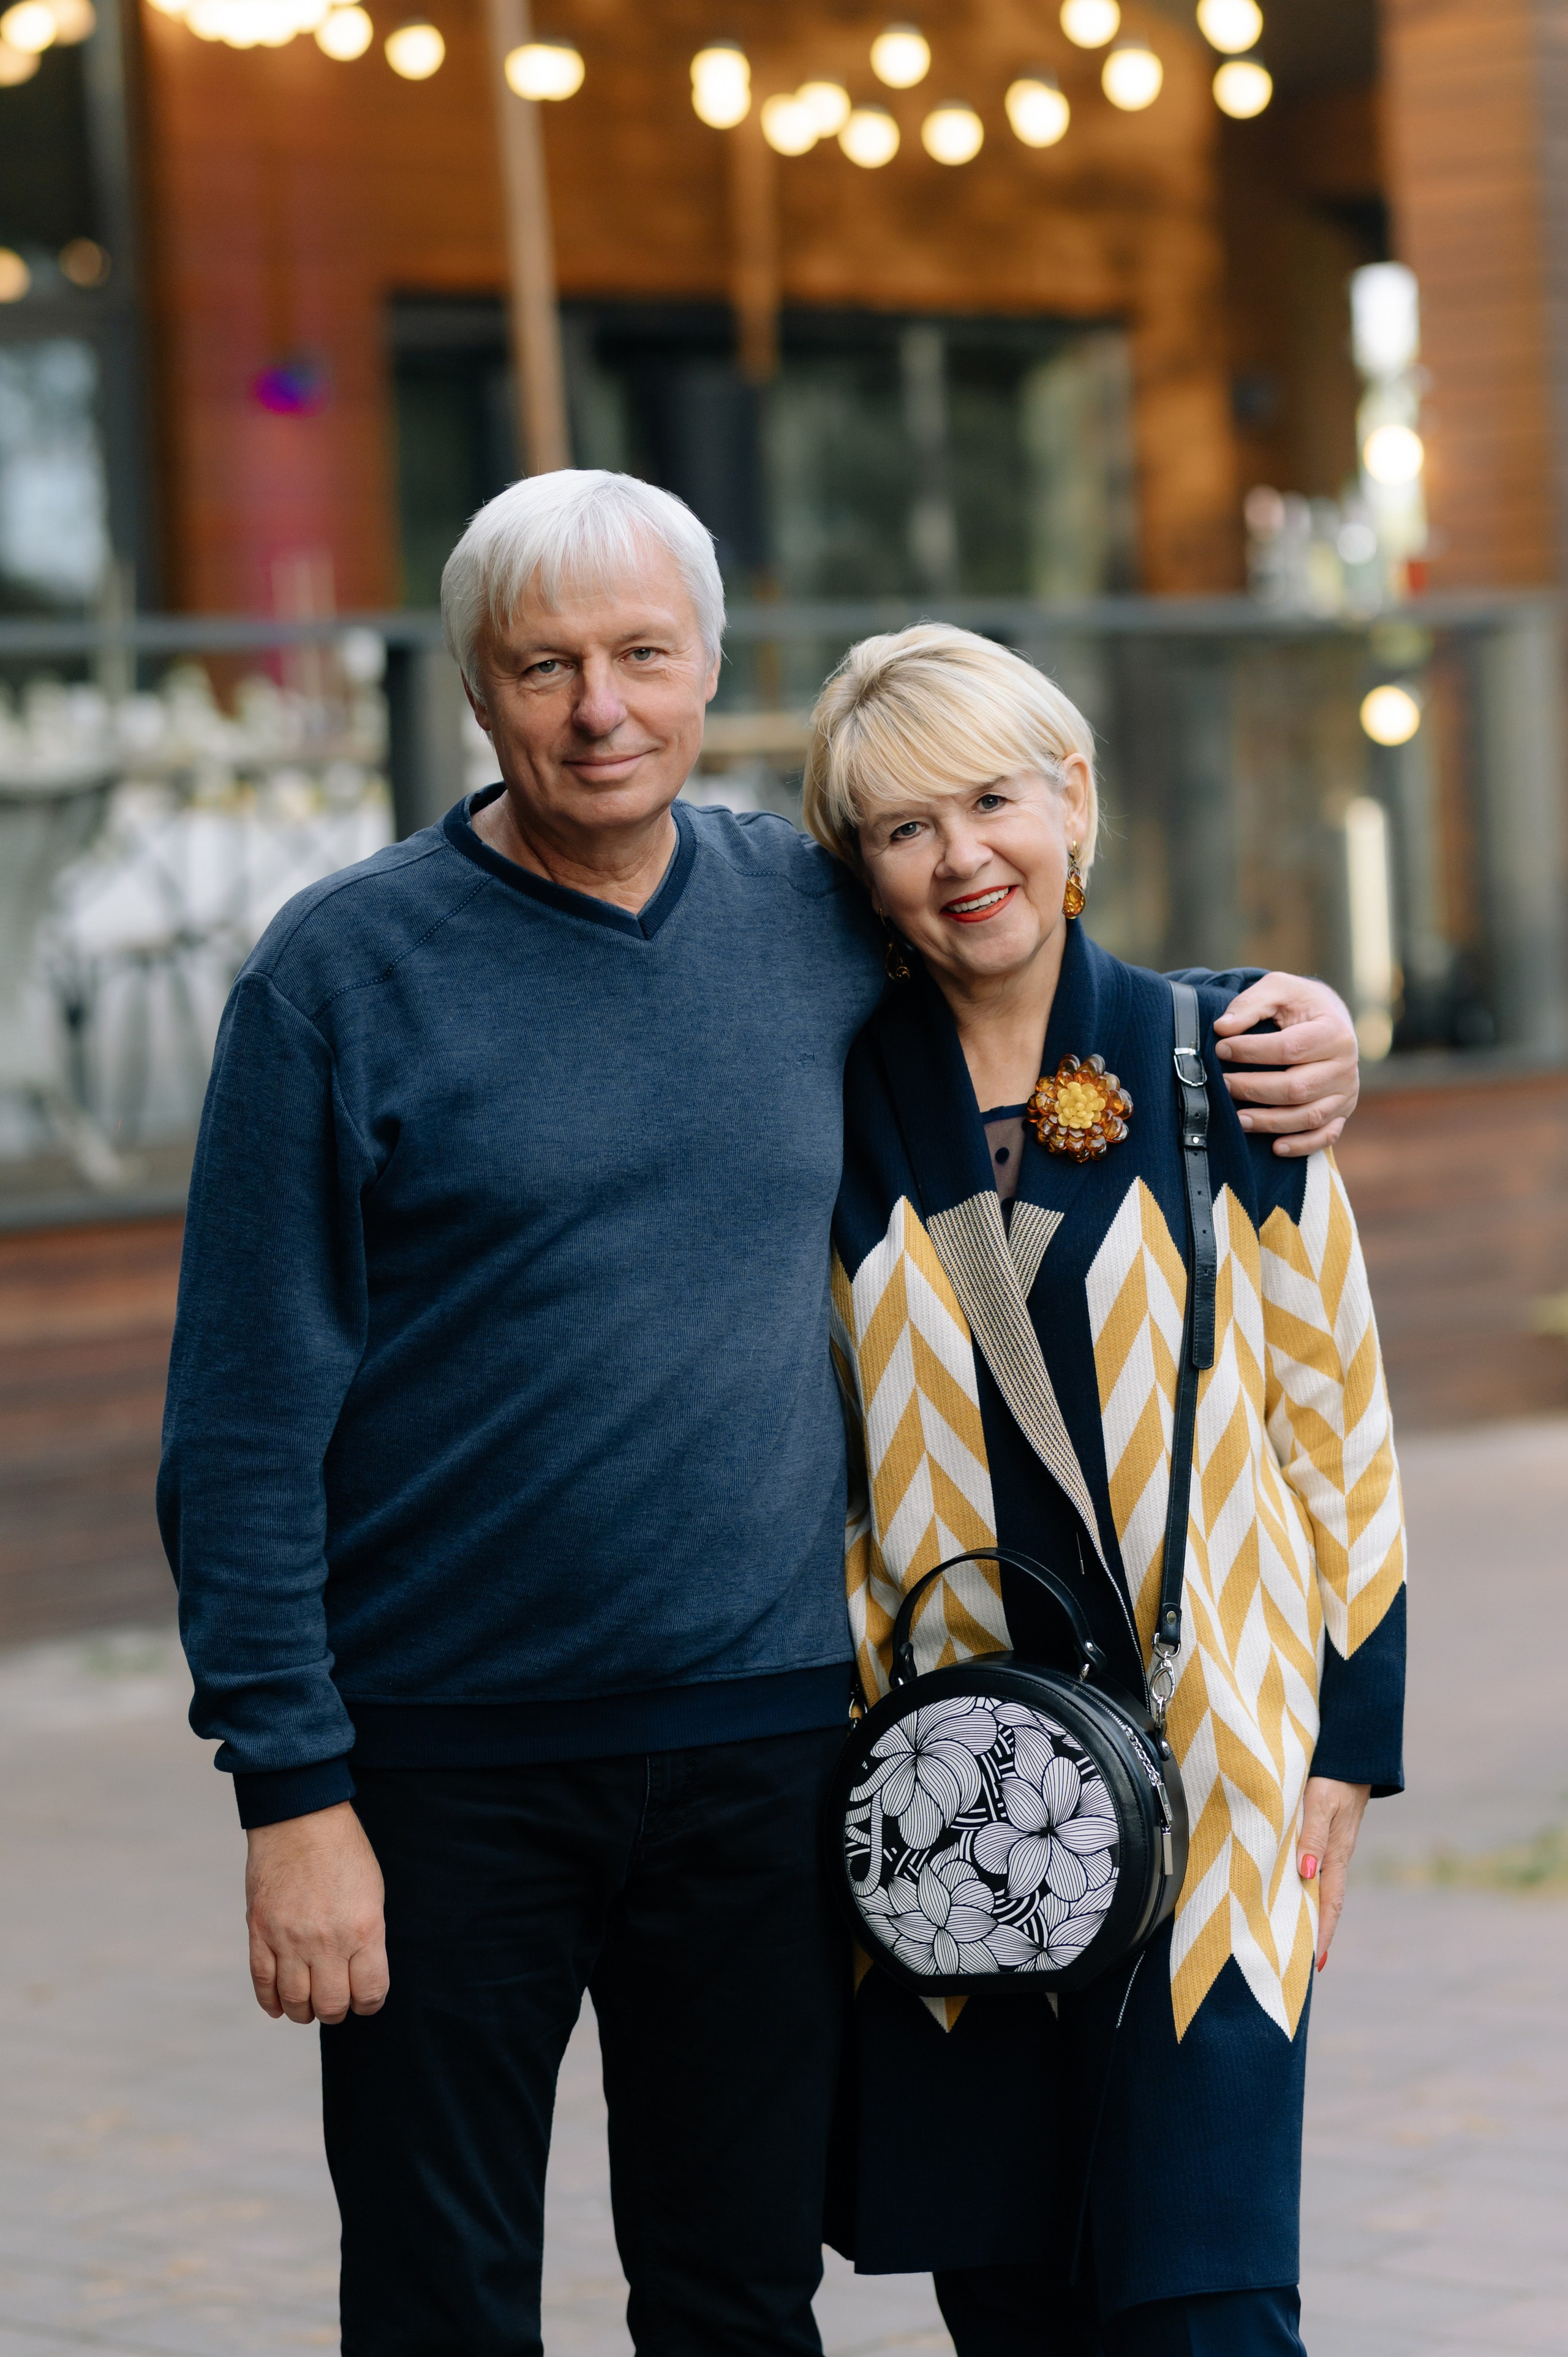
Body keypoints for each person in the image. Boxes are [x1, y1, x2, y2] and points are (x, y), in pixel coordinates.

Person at [158, 472, 1364, 2357]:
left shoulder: (808, 915)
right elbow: (236, 1425)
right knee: (436, 2294)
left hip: (772, 1751)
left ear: (711, 664)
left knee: (736, 2293)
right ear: (477, 688)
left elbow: (1019, 954)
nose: (600, 708)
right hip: (441, 1761)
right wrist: (291, 1791)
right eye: (544, 665)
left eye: (644, 655)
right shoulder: (341, 976)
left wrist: (1268, 1022)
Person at [804, 624, 1406, 2357]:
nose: (960, 855)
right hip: (953, 1803)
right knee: (1014, 2299)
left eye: (991, 798)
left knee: (1207, 2299)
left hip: (1211, 1778)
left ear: (1073, 803)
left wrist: (1346, 1748)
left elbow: (1336, 1427)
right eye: (904, 827)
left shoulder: (1230, 1067)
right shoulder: (834, 1112)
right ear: (865, 873)